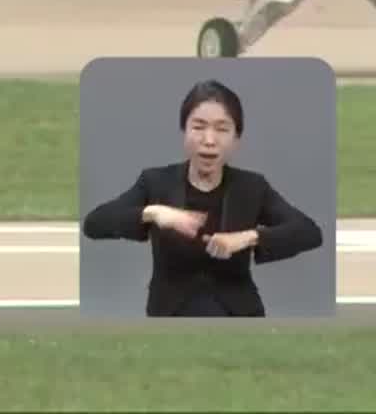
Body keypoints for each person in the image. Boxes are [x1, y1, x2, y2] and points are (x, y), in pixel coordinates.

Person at [81, 79, 324, 317]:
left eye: (222, 129)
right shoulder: (155, 182)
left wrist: (248, 237)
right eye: (198, 127)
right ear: (184, 131)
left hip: (238, 314)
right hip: (172, 313)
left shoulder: (252, 187)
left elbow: (309, 232)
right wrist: (153, 212)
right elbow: (94, 224)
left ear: (236, 139)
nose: (209, 140)